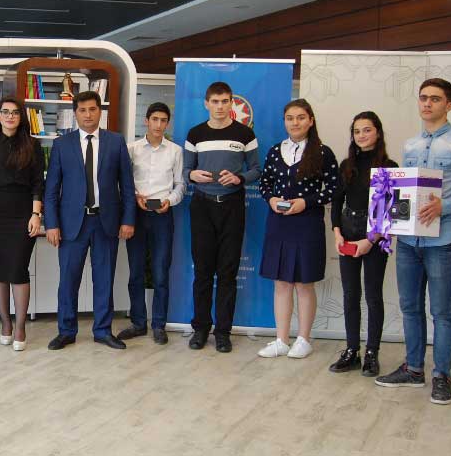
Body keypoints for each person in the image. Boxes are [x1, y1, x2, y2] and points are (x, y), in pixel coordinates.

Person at [375, 78, 451, 406]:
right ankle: (413, 369)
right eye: (423, 98)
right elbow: (404, 191)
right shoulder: (410, 145)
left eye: (435, 99)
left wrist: (444, 206)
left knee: (442, 312)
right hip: (409, 241)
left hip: (443, 240)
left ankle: (442, 376)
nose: (427, 103)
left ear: (449, 105)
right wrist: (389, 218)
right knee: (409, 307)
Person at [45, 90, 136, 351]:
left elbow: (127, 186)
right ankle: (66, 331)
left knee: (104, 279)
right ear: (75, 113)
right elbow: (51, 189)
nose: (88, 115)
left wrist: (128, 219)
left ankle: (103, 331)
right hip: (71, 224)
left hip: (105, 222)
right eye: (82, 110)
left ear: (100, 111)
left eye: (92, 109)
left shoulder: (115, 142)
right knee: (68, 280)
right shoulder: (62, 144)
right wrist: (51, 224)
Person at [182, 82, 261, 353]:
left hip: (232, 206)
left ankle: (223, 332)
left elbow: (256, 169)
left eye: (225, 101)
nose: (220, 106)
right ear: (206, 103)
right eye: (215, 101)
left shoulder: (244, 133)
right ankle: (200, 329)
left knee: (228, 272)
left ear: (231, 103)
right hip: (202, 206)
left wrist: (239, 178)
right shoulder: (195, 134)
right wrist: (192, 175)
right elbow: (185, 170)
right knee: (203, 271)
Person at [257, 99, 338, 359]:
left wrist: (306, 202)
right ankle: (281, 340)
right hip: (279, 223)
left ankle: (303, 339)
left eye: (301, 117)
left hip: (307, 224)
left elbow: (334, 189)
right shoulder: (274, 151)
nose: (295, 122)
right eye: (290, 118)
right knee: (281, 282)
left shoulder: (323, 152)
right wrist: (271, 199)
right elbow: (264, 183)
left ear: (310, 121)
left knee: (304, 283)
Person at [329, 111, 397, 376]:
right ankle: (352, 350)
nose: (361, 135)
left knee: (372, 295)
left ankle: (371, 353)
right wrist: (337, 233)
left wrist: (370, 240)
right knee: (350, 294)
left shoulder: (389, 167)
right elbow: (337, 202)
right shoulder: (347, 165)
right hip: (348, 231)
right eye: (357, 131)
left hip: (376, 236)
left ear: (377, 132)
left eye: (367, 130)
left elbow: (390, 210)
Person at [0, 97, 44, 351]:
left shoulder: (33, 145)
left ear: (21, 117)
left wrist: (36, 214)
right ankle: (5, 323)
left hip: (24, 212)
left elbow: (38, 183)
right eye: (5, 112)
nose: (10, 116)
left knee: (18, 270)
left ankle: (20, 326)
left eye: (15, 112)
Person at [118, 102, 184, 345]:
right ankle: (138, 323)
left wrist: (169, 201)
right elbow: (122, 182)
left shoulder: (175, 151)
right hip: (136, 214)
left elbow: (180, 184)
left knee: (160, 272)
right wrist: (135, 197)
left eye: (163, 120)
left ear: (167, 123)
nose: (158, 124)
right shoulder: (131, 149)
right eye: (154, 119)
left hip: (163, 215)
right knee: (136, 271)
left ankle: (158, 325)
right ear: (146, 121)